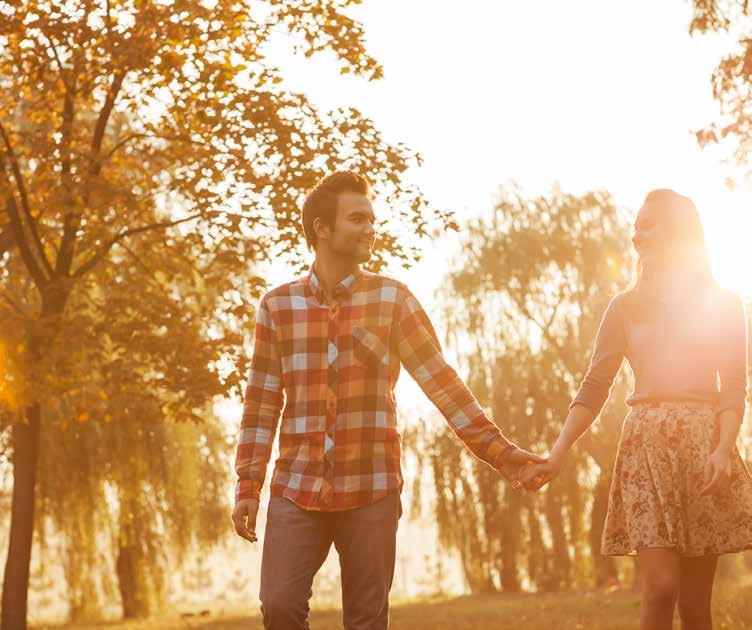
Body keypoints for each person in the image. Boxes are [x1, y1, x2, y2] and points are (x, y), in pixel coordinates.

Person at [231, 171, 543, 630]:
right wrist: (248, 486)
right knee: (278, 607)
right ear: (322, 228)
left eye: (371, 218)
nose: (369, 228)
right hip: (296, 488)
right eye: (357, 219)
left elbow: (443, 384)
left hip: (371, 487)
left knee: (367, 622)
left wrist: (502, 454)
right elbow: (260, 404)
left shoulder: (392, 300)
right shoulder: (277, 308)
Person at [521, 189, 752, 630]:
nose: (636, 234)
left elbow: (734, 386)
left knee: (697, 607)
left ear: (679, 233)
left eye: (647, 225)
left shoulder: (723, 303)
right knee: (660, 588)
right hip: (645, 451)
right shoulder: (624, 306)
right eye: (635, 225)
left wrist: (724, 449)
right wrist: (557, 452)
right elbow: (594, 385)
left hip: (704, 450)